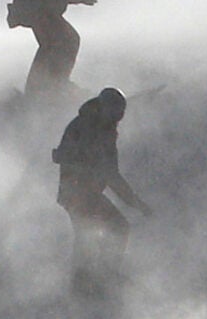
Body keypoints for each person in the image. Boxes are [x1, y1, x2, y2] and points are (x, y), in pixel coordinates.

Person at [53, 87, 151, 277]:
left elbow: (110, 172)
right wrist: (135, 203)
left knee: (99, 232)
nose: (117, 120)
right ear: (104, 109)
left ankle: (96, 276)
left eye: (120, 115)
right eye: (115, 114)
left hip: (85, 193)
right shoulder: (87, 128)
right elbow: (106, 172)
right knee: (104, 230)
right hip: (77, 193)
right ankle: (96, 277)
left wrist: (135, 202)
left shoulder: (103, 128)